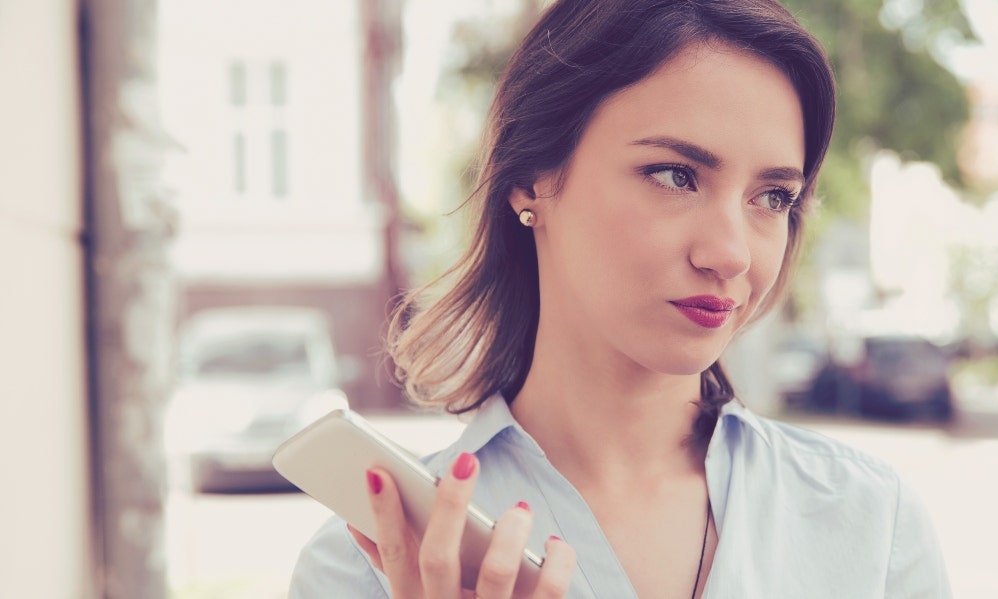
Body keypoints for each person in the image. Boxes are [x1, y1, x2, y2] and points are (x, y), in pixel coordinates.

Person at [289, 0, 951, 597]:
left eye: (772, 197)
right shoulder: (369, 564)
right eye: (675, 175)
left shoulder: (869, 524)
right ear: (530, 179)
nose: (731, 253)